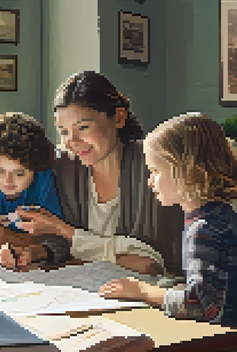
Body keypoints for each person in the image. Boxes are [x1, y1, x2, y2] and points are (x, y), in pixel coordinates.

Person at [0, 71, 186, 276]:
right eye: (64, 131)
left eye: (83, 127)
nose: (71, 141)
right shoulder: (59, 167)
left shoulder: (155, 167)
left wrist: (65, 231)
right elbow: (57, 246)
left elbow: (151, 264)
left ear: (119, 118)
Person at [99, 113, 237, 328]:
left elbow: (200, 306)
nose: (150, 181)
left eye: (155, 171)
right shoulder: (222, 214)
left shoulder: (203, 230)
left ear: (187, 172)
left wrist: (143, 291)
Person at [0, 112, 66, 269]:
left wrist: (5, 235)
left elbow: (59, 239)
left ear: (35, 168)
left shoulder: (44, 182)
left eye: (19, 173)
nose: (7, 181)